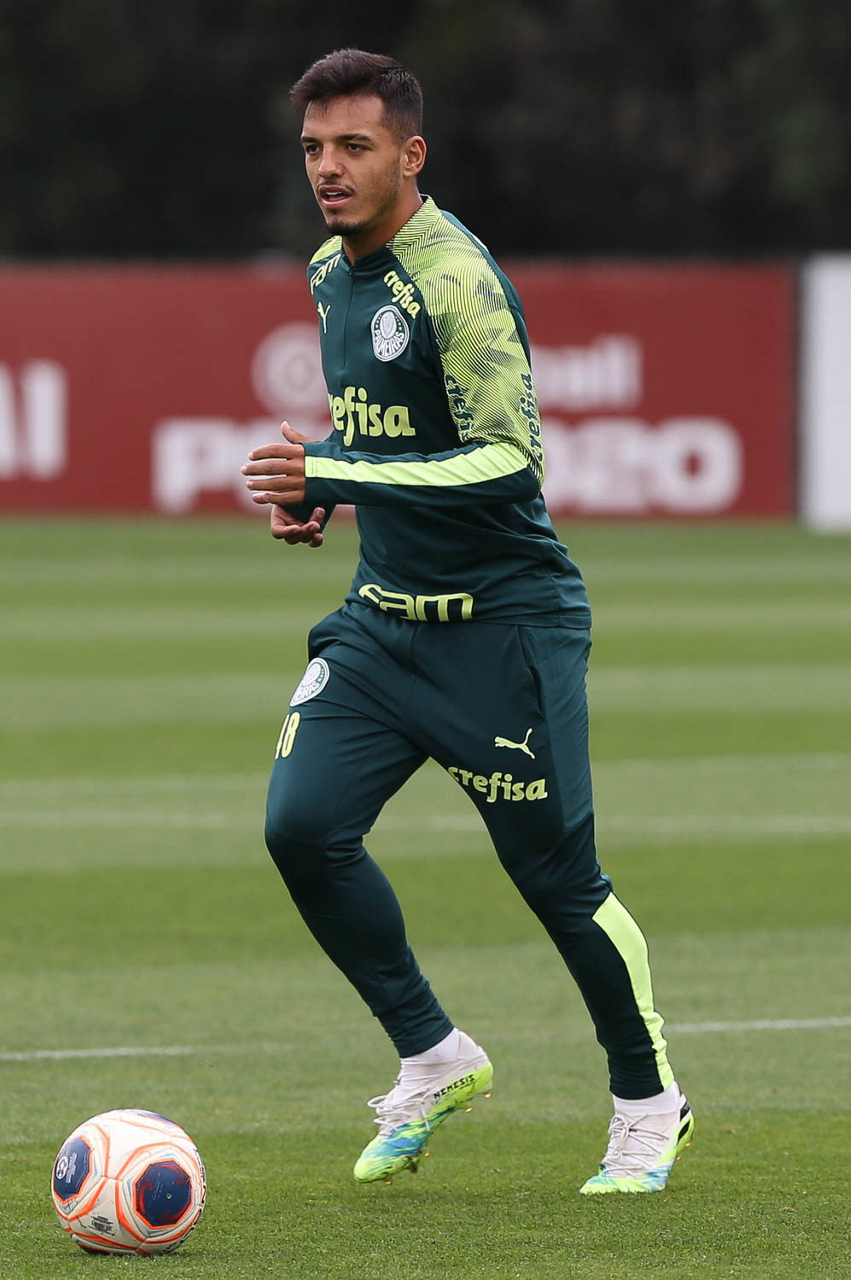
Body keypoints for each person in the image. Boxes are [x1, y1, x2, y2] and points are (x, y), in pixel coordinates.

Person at [241, 48, 693, 1193]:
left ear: (410, 154)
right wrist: (326, 488)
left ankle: (648, 1100)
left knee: (556, 880)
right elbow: (389, 440)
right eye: (314, 147)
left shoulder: (453, 279)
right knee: (301, 826)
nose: (328, 168)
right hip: (381, 625)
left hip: (501, 630)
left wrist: (336, 470)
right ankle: (433, 1053)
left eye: (353, 146)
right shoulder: (330, 272)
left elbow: (507, 461)